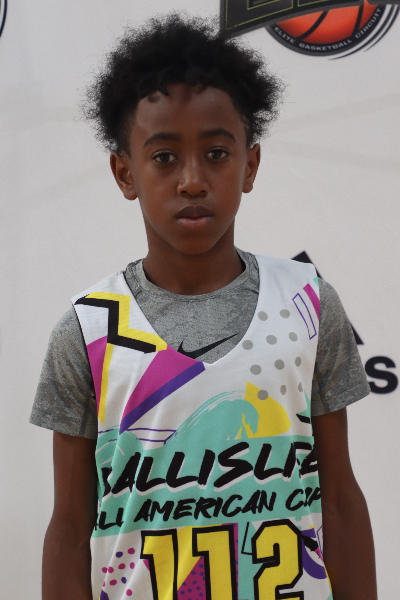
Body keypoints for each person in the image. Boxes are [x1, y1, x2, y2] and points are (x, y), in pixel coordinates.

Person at [30, 13, 377, 600]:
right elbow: (68, 529)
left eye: (216, 153)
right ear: (124, 172)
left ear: (250, 165)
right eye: (164, 157)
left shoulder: (307, 303)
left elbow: (340, 501)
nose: (192, 180)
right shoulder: (89, 331)